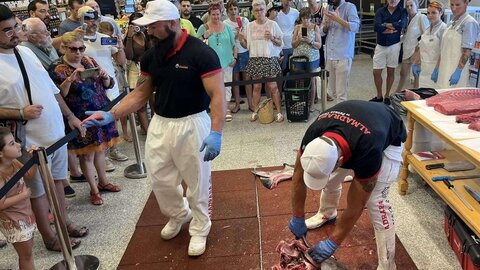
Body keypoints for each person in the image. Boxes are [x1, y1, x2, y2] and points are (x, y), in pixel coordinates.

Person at [81, 0, 225, 256]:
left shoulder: (201, 53)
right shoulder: (152, 55)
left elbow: (217, 96)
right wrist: (112, 114)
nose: (149, 31)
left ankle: (200, 227)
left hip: (193, 123)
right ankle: (178, 213)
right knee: (160, 178)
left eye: (154, 26)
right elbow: (142, 92)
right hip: (161, 124)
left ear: (172, 23)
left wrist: (216, 132)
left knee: (198, 181)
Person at [0, 4, 86, 252]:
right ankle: (50, 237)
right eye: (7, 30)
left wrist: (70, 116)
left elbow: (52, 89)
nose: (15, 34)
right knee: (37, 190)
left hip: (55, 132)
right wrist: (18, 113)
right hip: (28, 141)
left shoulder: (25, 52)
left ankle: (63, 223)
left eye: (16, 27)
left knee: (59, 181)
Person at [289, 100, 406, 269]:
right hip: (356, 124)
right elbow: (298, 175)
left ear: (341, 160)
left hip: (389, 137)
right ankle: (327, 213)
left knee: (376, 201)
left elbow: (356, 204)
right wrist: (297, 216)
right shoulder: (313, 135)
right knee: (330, 178)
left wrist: (333, 242)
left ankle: (388, 264)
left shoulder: (369, 150)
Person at [48, 32, 122, 205]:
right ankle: (94, 190)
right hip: (80, 116)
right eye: (74, 49)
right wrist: (69, 80)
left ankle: (103, 182)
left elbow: (108, 84)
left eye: (81, 48)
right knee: (87, 155)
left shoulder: (89, 61)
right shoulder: (56, 68)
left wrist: (105, 78)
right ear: (64, 48)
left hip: (101, 110)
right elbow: (58, 95)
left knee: (101, 150)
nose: (78, 52)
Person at [78, 6, 129, 165]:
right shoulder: (78, 40)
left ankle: (113, 149)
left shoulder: (104, 38)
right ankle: (102, 155)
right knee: (97, 118)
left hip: (110, 83)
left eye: (95, 19)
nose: (92, 23)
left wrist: (120, 47)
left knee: (113, 115)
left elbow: (121, 61)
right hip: (90, 86)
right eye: (88, 19)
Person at [238, 0, 284, 123]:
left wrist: (272, 38)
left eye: (261, 9)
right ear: (253, 11)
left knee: (273, 86)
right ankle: (255, 111)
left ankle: (279, 112)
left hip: (269, 58)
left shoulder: (273, 24)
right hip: (255, 58)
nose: (259, 12)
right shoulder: (249, 26)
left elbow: (281, 43)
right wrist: (241, 38)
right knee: (257, 87)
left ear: (265, 10)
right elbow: (246, 45)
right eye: (256, 10)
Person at [0, 128, 38, 270]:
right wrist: (23, 195)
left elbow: (29, 174)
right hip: (13, 220)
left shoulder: (14, 162)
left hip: (24, 214)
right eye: (11, 144)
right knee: (26, 255)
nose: (18, 145)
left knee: (28, 252)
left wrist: (34, 160)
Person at [197, 2, 236, 122]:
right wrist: (205, 36)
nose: (216, 17)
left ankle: (227, 109)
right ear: (209, 15)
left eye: (218, 14)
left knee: (227, 86)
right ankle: (215, 109)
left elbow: (234, 44)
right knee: (213, 88)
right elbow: (197, 45)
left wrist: (234, 58)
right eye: (213, 14)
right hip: (211, 65)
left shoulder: (227, 27)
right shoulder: (203, 28)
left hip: (227, 62)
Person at [431, 0, 479, 88]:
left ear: (466, 3)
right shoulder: (450, 23)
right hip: (443, 70)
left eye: (457, 5)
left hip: (455, 72)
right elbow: (443, 49)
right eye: (452, 4)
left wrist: (458, 71)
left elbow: (467, 51)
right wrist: (437, 68)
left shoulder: (469, 23)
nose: (454, 8)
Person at [321, 0, 359, 104]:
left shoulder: (350, 7)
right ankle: (336, 114)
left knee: (341, 93)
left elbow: (356, 27)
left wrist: (337, 19)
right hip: (329, 55)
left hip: (343, 55)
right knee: (331, 92)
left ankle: (340, 118)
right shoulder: (329, 8)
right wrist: (326, 25)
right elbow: (321, 32)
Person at [371, 0, 407, 105]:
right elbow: (376, 26)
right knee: (376, 72)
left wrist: (385, 25)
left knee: (391, 71)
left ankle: (387, 95)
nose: (393, 0)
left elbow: (402, 25)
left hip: (394, 45)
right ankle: (379, 95)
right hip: (380, 45)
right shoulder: (380, 11)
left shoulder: (403, 11)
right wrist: (392, 26)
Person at [124, 12, 151, 134]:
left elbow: (152, 51)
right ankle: (147, 130)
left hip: (149, 69)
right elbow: (129, 56)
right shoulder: (129, 37)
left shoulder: (147, 33)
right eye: (135, 23)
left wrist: (147, 32)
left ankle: (153, 129)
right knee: (141, 104)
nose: (137, 26)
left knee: (154, 100)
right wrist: (129, 37)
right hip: (135, 69)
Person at [224, 0, 253, 113]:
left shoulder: (244, 20)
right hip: (232, 54)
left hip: (244, 51)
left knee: (247, 78)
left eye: (235, 9)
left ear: (238, 10)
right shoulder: (225, 23)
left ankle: (250, 103)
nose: (233, 11)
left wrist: (240, 35)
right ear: (227, 11)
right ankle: (237, 104)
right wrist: (235, 35)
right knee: (235, 80)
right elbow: (227, 39)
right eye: (231, 9)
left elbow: (247, 35)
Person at [394, 0, 428, 92]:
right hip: (406, 49)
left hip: (416, 51)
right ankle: (397, 93)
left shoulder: (421, 17)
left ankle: (416, 94)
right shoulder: (406, 19)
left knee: (415, 74)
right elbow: (406, 35)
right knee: (403, 73)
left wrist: (419, 48)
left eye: (411, 5)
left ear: (417, 6)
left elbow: (427, 35)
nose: (409, 8)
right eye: (407, 6)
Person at [291, 7, 321, 111]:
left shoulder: (315, 27)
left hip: (312, 58)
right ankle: (301, 101)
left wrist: (310, 41)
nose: (305, 21)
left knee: (312, 80)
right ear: (301, 18)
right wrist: (298, 39)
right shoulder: (297, 28)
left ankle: (312, 104)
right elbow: (293, 45)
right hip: (299, 58)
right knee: (299, 80)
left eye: (307, 18)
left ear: (310, 18)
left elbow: (319, 45)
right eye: (303, 18)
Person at [411, 1, 446, 88]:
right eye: (428, 13)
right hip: (424, 69)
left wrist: (437, 69)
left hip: (436, 70)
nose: (430, 15)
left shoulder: (443, 29)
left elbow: (443, 52)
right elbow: (421, 47)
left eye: (434, 13)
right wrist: (415, 63)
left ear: (441, 13)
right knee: (423, 95)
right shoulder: (427, 30)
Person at [276, 0, 299, 73]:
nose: (288, 2)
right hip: (280, 47)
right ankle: (281, 84)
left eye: (290, 0)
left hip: (292, 45)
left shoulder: (295, 12)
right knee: (281, 70)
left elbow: (302, 23)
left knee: (293, 69)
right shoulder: (276, 13)